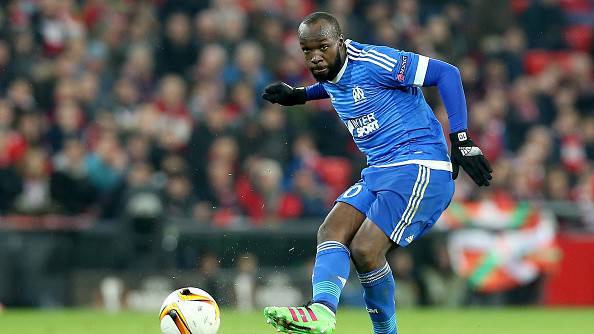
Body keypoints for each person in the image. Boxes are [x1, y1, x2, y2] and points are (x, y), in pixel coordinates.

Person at [261, 12, 492, 334]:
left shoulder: (375, 60)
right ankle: (322, 312)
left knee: (365, 249)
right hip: (380, 170)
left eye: (322, 47)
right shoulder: (333, 73)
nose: (314, 58)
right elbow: (343, 86)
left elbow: (447, 74)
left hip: (419, 165)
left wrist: (462, 139)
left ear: (340, 43)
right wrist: (301, 95)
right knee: (331, 231)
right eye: (306, 50)